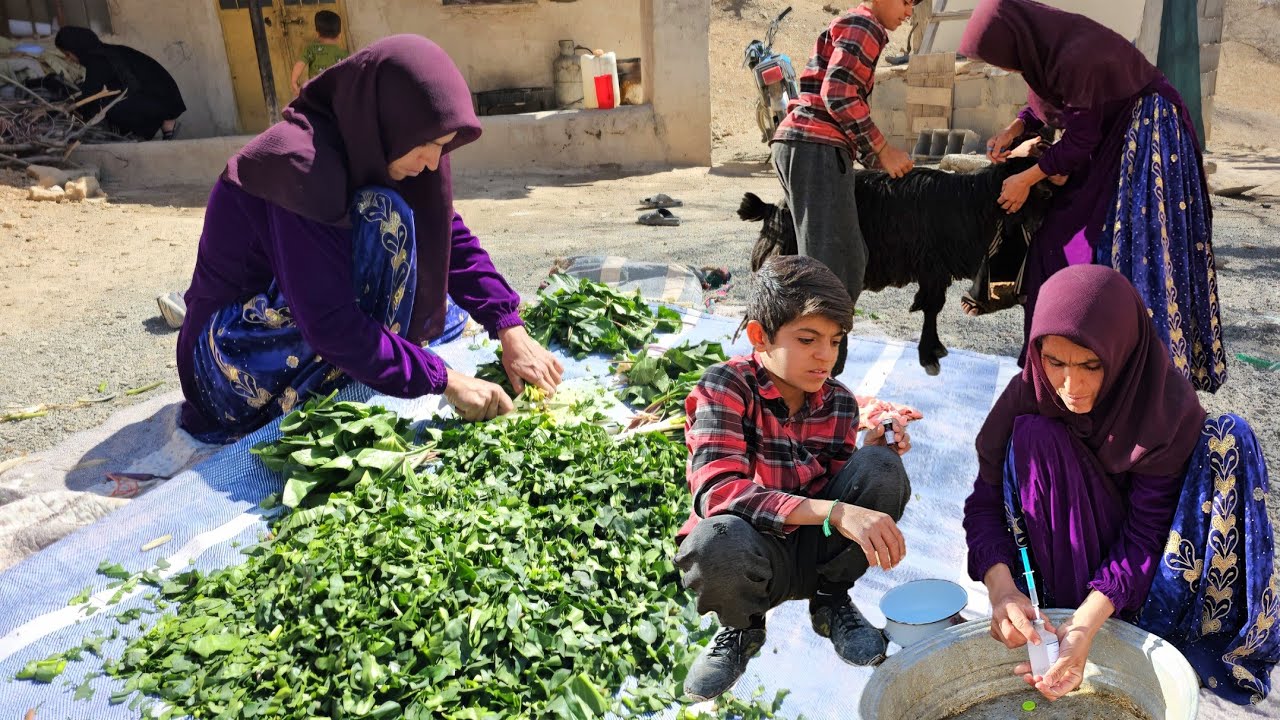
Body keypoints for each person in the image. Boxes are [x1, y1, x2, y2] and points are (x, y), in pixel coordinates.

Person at [175, 35, 563, 443]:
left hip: (297, 320)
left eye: (442, 147)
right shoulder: (298, 163)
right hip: (227, 360)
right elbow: (329, 321)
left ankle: (363, 364)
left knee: (417, 242)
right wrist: (445, 379)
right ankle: (355, 368)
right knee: (387, 218)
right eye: (428, 145)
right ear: (387, 120)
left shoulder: (373, 147)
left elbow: (449, 237)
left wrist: (508, 326)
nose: (433, 161)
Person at [963, 264, 1276, 706]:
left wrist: (1087, 623)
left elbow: (1146, 535)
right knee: (1034, 435)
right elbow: (984, 502)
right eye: (1055, 362)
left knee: (1229, 438)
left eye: (1091, 365)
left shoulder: (1159, 406)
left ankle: (1100, 619)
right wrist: (1001, 589)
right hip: (1063, 563)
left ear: (1123, 351)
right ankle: (1059, 607)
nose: (1071, 386)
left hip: (1151, 574)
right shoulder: (1028, 392)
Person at [674, 255, 914, 702]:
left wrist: (876, 453)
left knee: (882, 469)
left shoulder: (839, 403)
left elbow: (840, 482)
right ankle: (743, 630)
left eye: (835, 341)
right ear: (759, 336)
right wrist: (838, 512)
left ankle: (830, 599)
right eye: (807, 339)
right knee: (713, 541)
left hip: (814, 547)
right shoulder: (723, 388)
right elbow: (719, 491)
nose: (825, 356)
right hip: (755, 550)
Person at [958, 0, 1227, 393]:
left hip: (1145, 135)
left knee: (1132, 250)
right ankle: (1054, 357)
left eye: (1003, 58)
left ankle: (1142, 379)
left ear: (1015, 42)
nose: (1008, 67)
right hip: (1108, 136)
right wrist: (1014, 130)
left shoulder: (1074, 54)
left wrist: (1027, 179)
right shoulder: (1044, 50)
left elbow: (1081, 138)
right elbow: (1049, 100)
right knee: (1058, 236)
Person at [771, 0, 919, 374]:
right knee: (833, 270)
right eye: (905, 1)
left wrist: (871, 159)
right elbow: (838, 93)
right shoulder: (865, 25)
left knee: (836, 262)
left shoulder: (855, 24)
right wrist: (883, 150)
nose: (908, 13)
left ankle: (802, 365)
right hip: (815, 147)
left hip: (807, 145)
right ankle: (816, 376)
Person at [54, 26, 185, 140]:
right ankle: (166, 123)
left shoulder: (98, 60)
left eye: (67, 54)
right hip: (164, 99)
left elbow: (89, 97)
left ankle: (161, 122)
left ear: (76, 48)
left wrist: (64, 110)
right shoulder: (107, 52)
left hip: (160, 101)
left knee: (107, 108)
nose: (68, 59)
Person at [291, 10, 350, 96]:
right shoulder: (344, 54)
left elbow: (300, 64)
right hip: (336, 94)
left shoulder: (311, 49)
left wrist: (294, 82)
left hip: (316, 92)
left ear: (317, 34)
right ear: (339, 35)